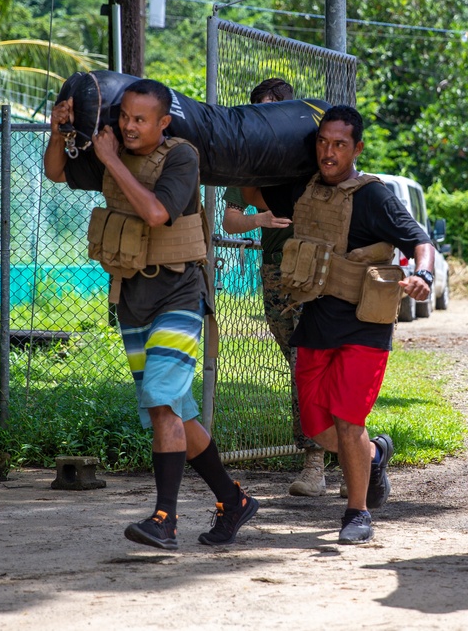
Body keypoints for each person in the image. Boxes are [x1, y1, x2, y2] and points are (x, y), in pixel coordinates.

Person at [44, 79, 257, 550]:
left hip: (179, 295)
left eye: (141, 120)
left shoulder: (180, 157)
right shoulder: (109, 151)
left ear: (164, 122)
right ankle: (233, 499)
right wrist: (58, 131)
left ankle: (165, 519)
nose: (129, 126)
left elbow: (158, 212)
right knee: (176, 411)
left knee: (162, 400)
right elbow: (56, 173)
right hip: (132, 297)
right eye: (125, 117)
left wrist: (112, 160)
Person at [280, 105, 435, 545]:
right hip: (316, 322)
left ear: (357, 148)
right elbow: (251, 194)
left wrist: (421, 276)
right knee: (317, 428)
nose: (329, 153)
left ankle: (357, 513)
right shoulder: (304, 188)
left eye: (339, 145)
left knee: (348, 420)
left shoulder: (374, 196)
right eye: (323, 143)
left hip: (365, 327)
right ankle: (375, 453)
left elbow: (420, 240)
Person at [221, 78, 327, 497]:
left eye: (273, 112)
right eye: (258, 114)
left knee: (311, 366)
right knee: (301, 367)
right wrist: (260, 221)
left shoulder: (317, 155)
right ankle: (364, 449)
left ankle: (316, 462)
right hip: (277, 272)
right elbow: (230, 219)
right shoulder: (253, 163)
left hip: (322, 271)